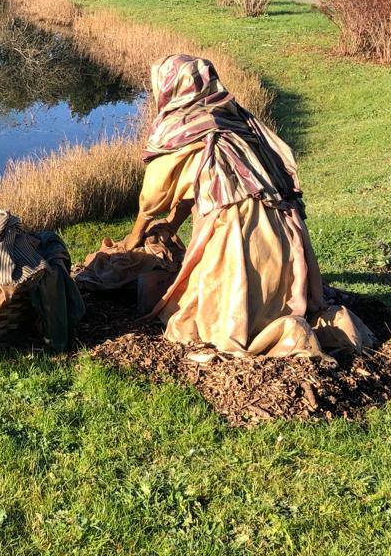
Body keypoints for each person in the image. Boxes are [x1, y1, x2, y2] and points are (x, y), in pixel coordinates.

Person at [121, 54, 373, 360]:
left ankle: (248, 323)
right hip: (284, 229)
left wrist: (135, 237)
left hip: (238, 229)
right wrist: (173, 226)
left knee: (221, 304)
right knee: (275, 290)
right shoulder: (236, 120)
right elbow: (200, 180)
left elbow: (151, 201)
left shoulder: (182, 128)